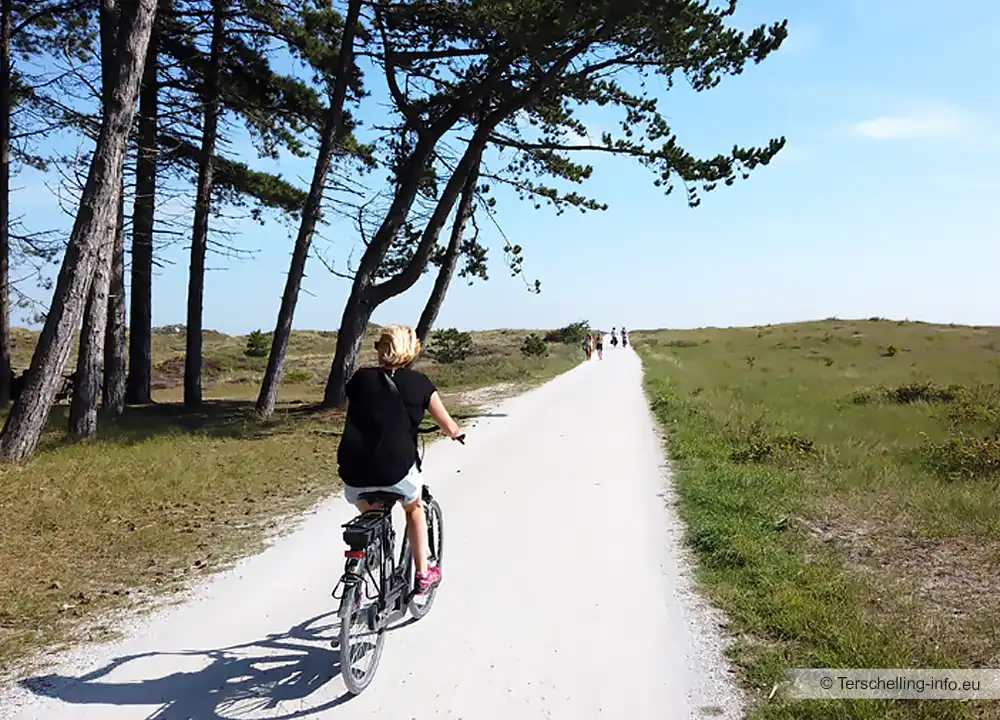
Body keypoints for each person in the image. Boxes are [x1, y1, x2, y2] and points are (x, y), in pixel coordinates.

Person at [337, 324, 463, 594]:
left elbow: (355, 414)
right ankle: (423, 573)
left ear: (380, 349)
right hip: (397, 470)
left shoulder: (359, 379)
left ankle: (370, 554)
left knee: (371, 510)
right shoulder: (420, 383)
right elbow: (449, 426)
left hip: (353, 470)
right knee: (413, 509)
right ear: (411, 351)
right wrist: (456, 433)